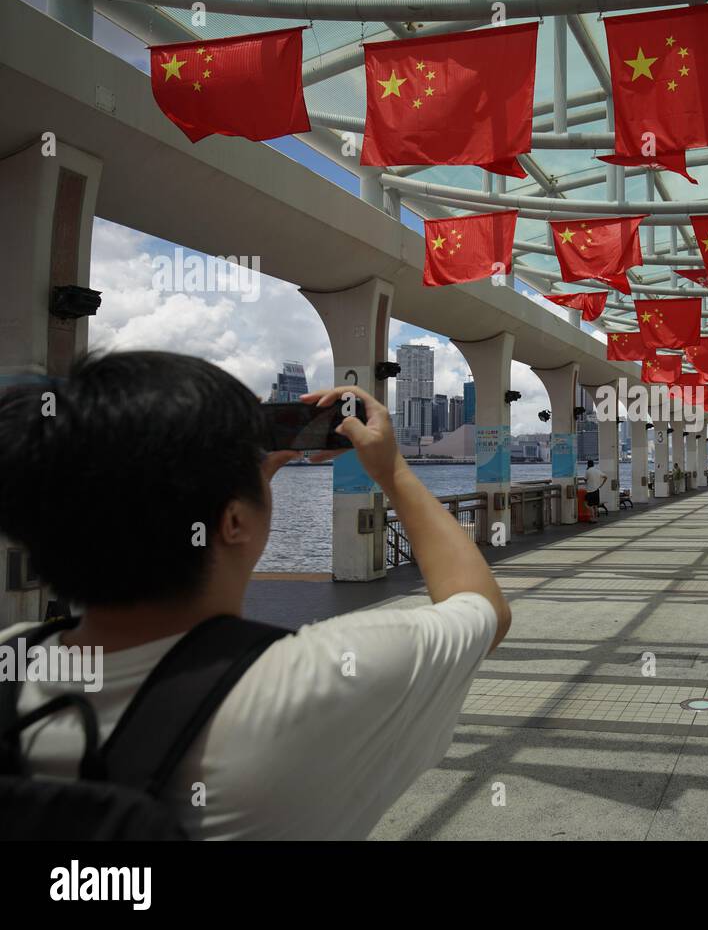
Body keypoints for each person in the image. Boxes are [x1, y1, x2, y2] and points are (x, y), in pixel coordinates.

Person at [0, 351, 510, 839]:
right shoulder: (313, 682)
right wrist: (392, 469)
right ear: (235, 520)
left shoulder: (14, 658)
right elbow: (481, 606)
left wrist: (239, 484)